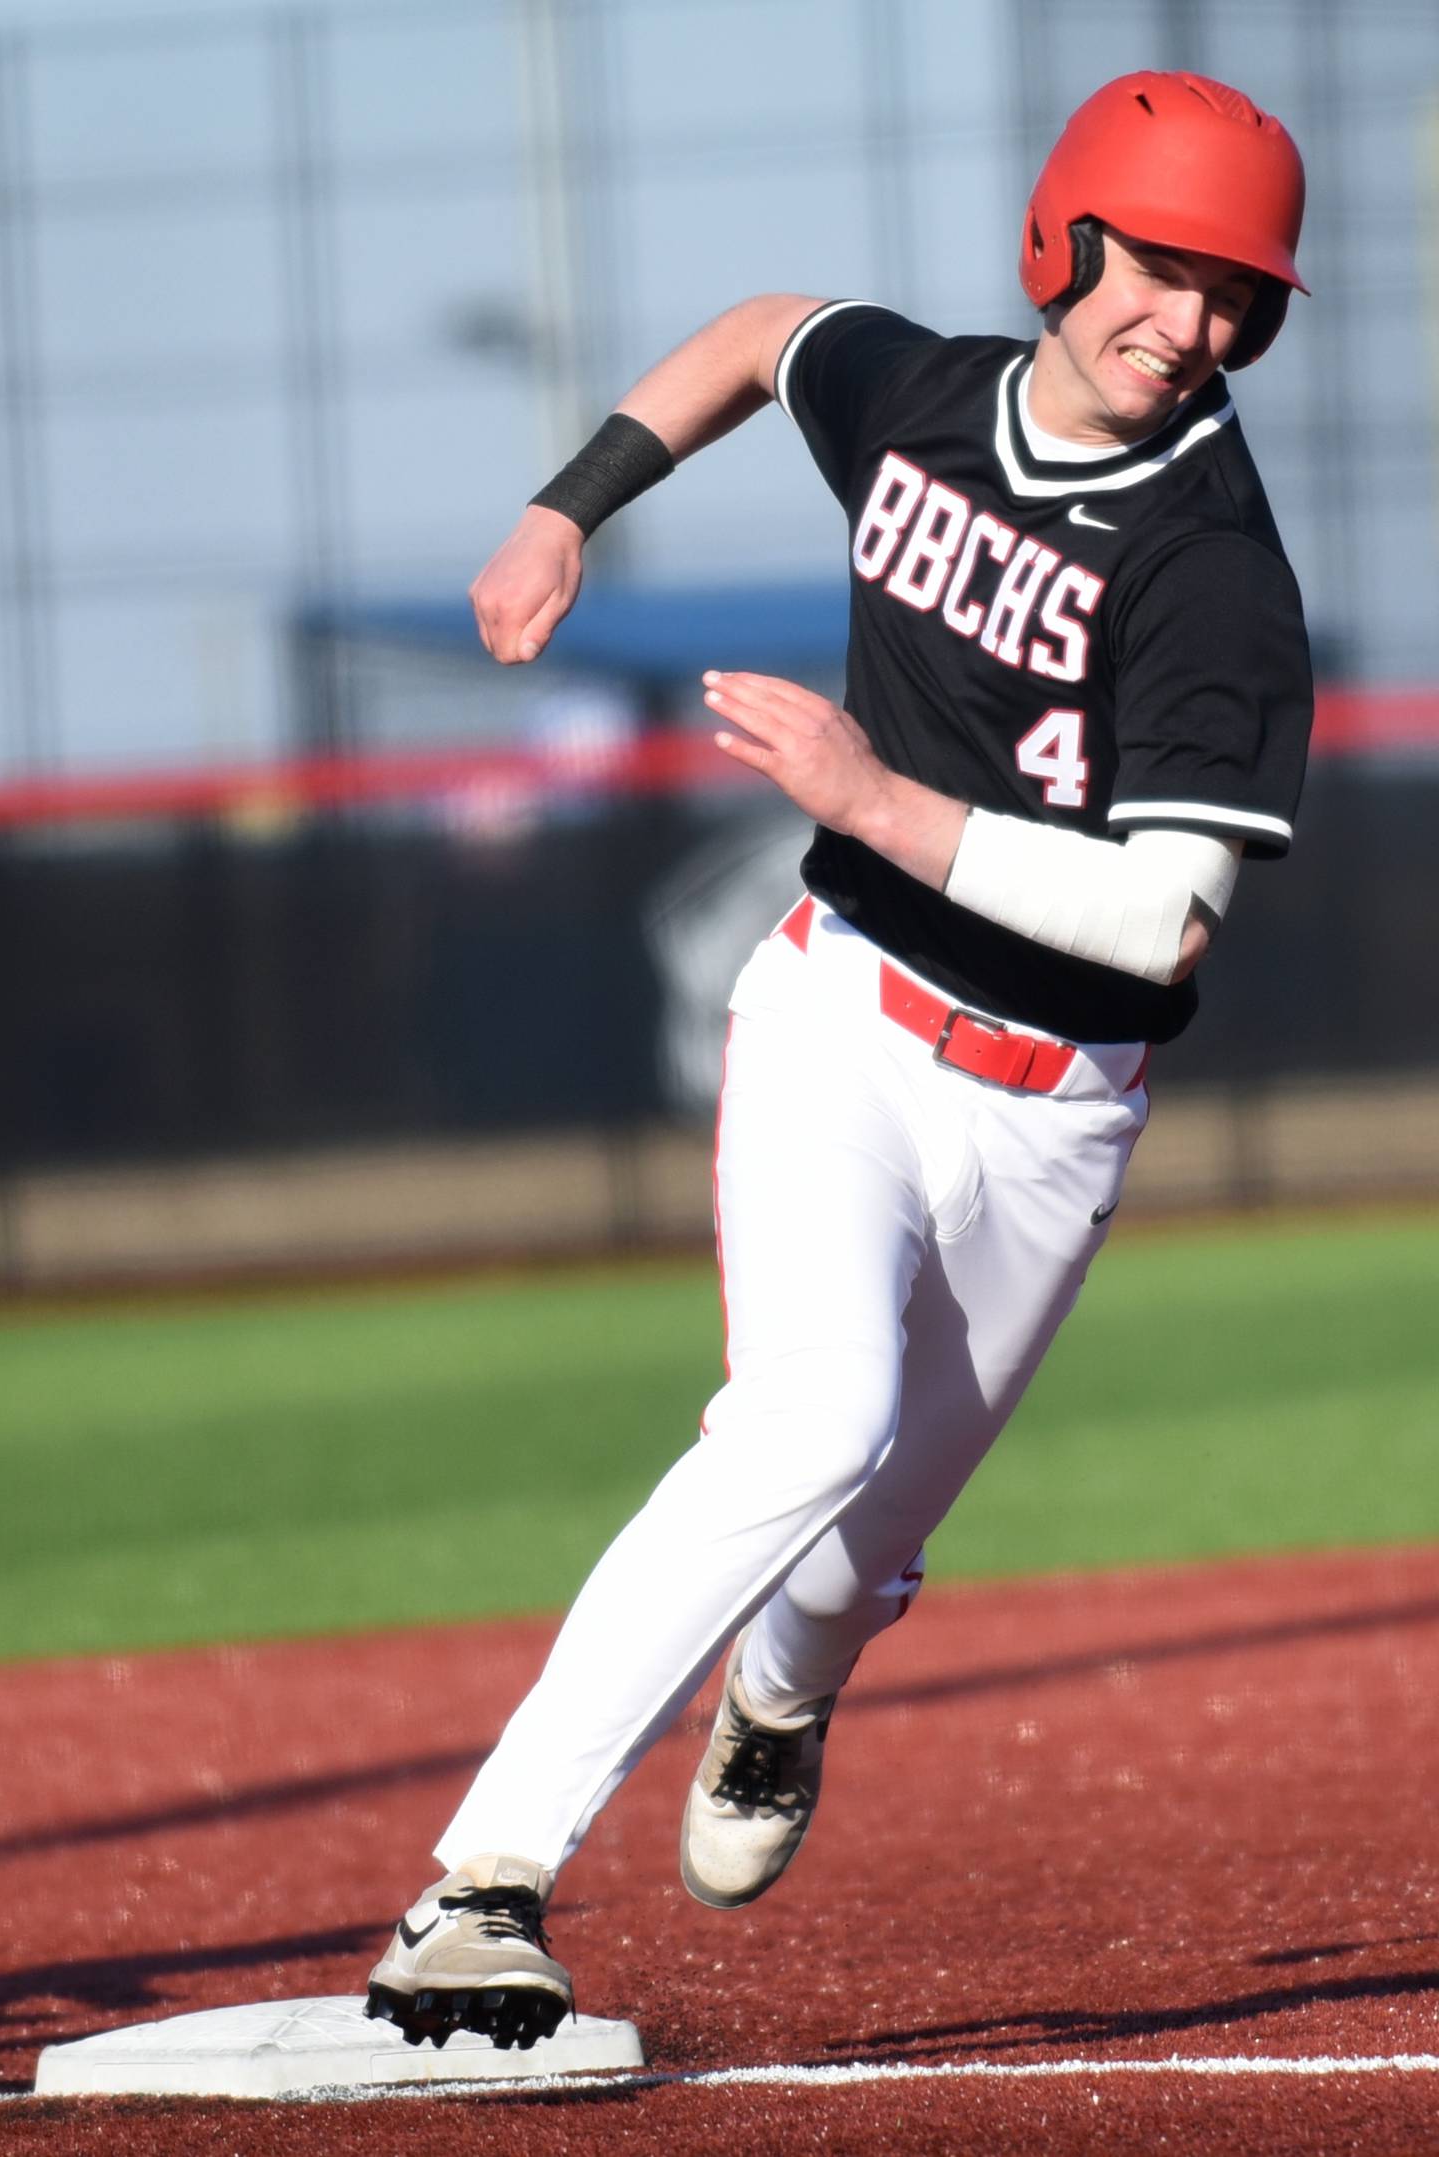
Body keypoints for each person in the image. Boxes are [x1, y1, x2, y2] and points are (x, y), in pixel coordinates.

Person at [365, 70, 1312, 2051]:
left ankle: (784, 1699)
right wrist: (569, 501)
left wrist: (871, 788)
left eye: (1235, 292)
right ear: (1064, 244)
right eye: (1158, 268)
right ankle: (485, 1879)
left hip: (1058, 1113)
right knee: (811, 1415)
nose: (1191, 322)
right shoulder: (921, 398)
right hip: (842, 1017)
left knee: (861, 1551)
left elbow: (1167, 921)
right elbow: (754, 339)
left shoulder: (1212, 565)